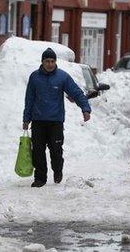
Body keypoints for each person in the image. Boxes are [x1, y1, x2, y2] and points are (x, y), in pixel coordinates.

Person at [23, 48, 91, 188]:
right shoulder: (34, 77)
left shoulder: (62, 77)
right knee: (38, 151)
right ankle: (40, 178)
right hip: (38, 121)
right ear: (42, 62)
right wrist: (26, 118)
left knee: (56, 150)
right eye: (47, 61)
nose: (50, 64)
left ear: (55, 62)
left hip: (56, 121)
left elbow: (76, 93)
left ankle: (58, 170)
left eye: (52, 61)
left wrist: (85, 108)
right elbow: (29, 99)